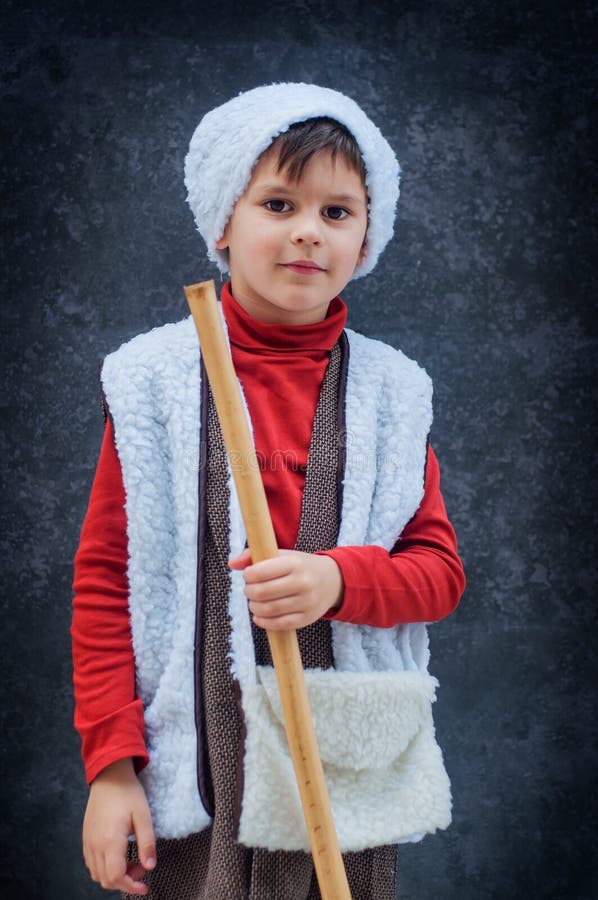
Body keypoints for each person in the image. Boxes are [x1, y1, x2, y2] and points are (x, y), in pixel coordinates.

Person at [71, 82, 466, 900]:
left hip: (339, 768)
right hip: (194, 771)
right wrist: (112, 769)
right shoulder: (153, 382)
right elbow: (108, 579)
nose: (307, 233)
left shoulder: (394, 395)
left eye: (337, 212)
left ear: (366, 237)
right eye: (279, 202)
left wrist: (340, 580)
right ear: (223, 220)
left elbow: (438, 572)